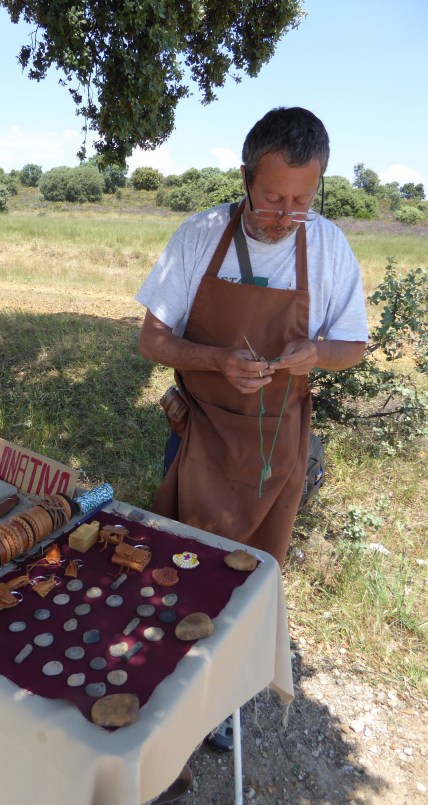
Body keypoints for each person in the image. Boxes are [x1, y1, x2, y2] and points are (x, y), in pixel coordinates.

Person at [136, 107, 368, 757]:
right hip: (200, 433)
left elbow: (353, 344)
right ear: (245, 178)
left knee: (249, 580)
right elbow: (151, 338)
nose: (286, 213)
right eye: (273, 197)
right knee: (180, 569)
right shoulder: (199, 234)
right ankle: (163, 690)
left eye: (302, 199)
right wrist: (215, 360)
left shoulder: (326, 246)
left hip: (278, 442)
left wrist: (316, 355)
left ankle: (215, 702)